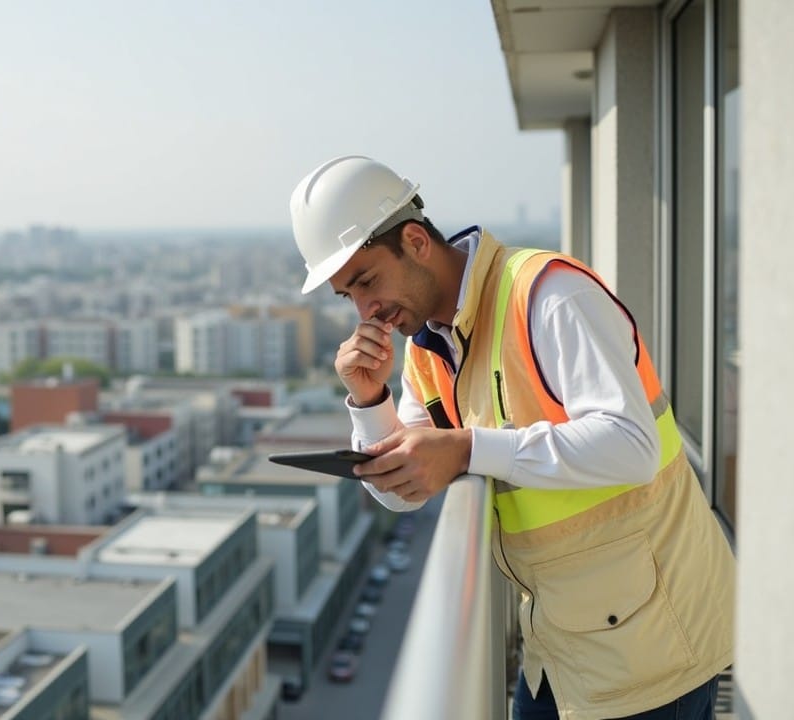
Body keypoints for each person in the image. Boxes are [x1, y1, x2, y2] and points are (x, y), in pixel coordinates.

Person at [289, 155, 734, 719]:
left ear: (416, 241)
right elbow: (405, 493)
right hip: (560, 642)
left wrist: (469, 449)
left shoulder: (549, 294)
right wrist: (369, 400)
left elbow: (633, 446)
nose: (365, 310)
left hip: (651, 648)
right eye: (347, 295)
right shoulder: (427, 348)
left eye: (367, 281)